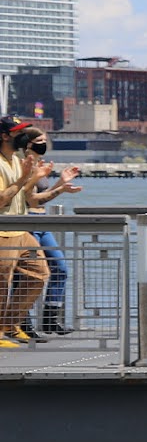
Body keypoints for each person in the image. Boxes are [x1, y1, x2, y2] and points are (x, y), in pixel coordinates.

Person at [0, 120, 53, 348]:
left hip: (22, 232)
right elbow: (2, 199)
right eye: (17, 132)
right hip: (3, 233)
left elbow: (26, 195)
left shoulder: (15, 160)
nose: (22, 135)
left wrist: (35, 176)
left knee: (38, 273)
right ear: (4, 136)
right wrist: (24, 178)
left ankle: (9, 325)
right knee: (2, 283)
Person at [23, 135, 79, 338]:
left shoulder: (39, 165)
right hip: (26, 223)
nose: (44, 143)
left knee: (60, 268)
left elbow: (42, 198)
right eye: (39, 139)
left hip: (42, 222)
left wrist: (61, 184)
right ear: (27, 143)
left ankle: (50, 319)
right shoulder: (22, 165)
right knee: (25, 274)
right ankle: (23, 321)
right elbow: (29, 200)